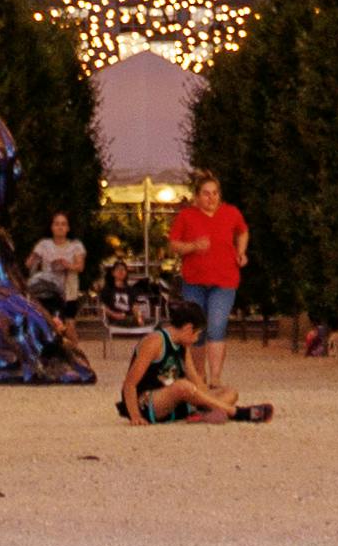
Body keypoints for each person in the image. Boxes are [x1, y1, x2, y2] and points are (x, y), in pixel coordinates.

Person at [119, 293, 273, 425]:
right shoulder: (154, 342)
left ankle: (203, 414)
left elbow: (196, 381)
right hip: (148, 402)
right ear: (188, 329)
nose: (197, 339)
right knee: (182, 386)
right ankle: (237, 413)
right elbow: (130, 383)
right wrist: (135, 416)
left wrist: (209, 398)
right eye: (197, 333)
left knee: (230, 392)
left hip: (176, 400)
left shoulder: (182, 345)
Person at [166, 170, 248, 388]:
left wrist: (241, 252)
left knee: (217, 326)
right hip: (194, 282)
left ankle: (216, 377)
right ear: (197, 197)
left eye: (214, 193)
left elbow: (242, 231)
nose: (211, 198)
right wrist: (193, 246)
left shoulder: (231, 213)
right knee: (197, 330)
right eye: (206, 194)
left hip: (224, 281)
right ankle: (199, 375)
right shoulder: (186, 217)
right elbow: (173, 244)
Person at [25, 210, 86, 318]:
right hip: (47, 292)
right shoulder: (44, 244)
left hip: (68, 293)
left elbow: (80, 267)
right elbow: (29, 264)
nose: (60, 227)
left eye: (63, 224)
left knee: (68, 326)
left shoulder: (75, 246)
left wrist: (66, 265)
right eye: (56, 224)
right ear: (51, 227)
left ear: (68, 228)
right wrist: (34, 257)